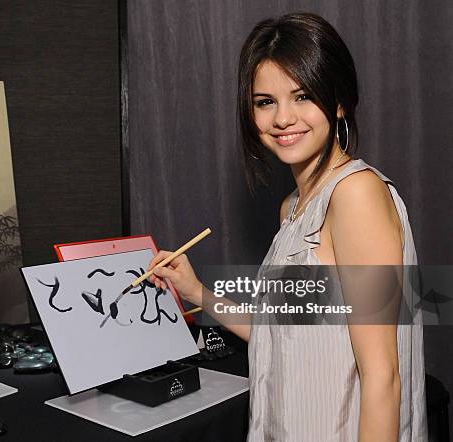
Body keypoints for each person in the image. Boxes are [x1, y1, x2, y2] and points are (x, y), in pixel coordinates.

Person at [147, 12, 427, 442]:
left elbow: (384, 378)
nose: (282, 119)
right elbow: (279, 331)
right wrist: (196, 292)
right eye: (265, 102)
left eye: (302, 96)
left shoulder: (356, 195)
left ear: (337, 101)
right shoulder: (293, 207)